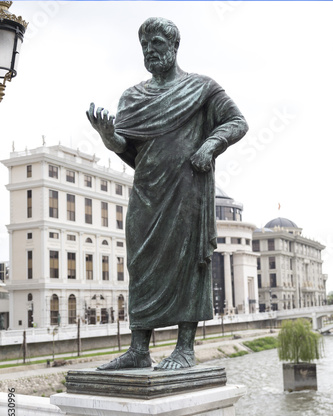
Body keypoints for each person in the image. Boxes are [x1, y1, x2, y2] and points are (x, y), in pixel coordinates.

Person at [86, 17, 248, 370]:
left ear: (174, 47)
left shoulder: (203, 88)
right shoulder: (133, 96)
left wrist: (210, 144)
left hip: (188, 190)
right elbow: (129, 150)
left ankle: (185, 347)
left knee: (187, 262)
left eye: (157, 44)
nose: (150, 51)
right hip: (146, 193)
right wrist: (108, 137)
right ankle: (139, 348)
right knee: (140, 264)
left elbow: (237, 122)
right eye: (144, 46)